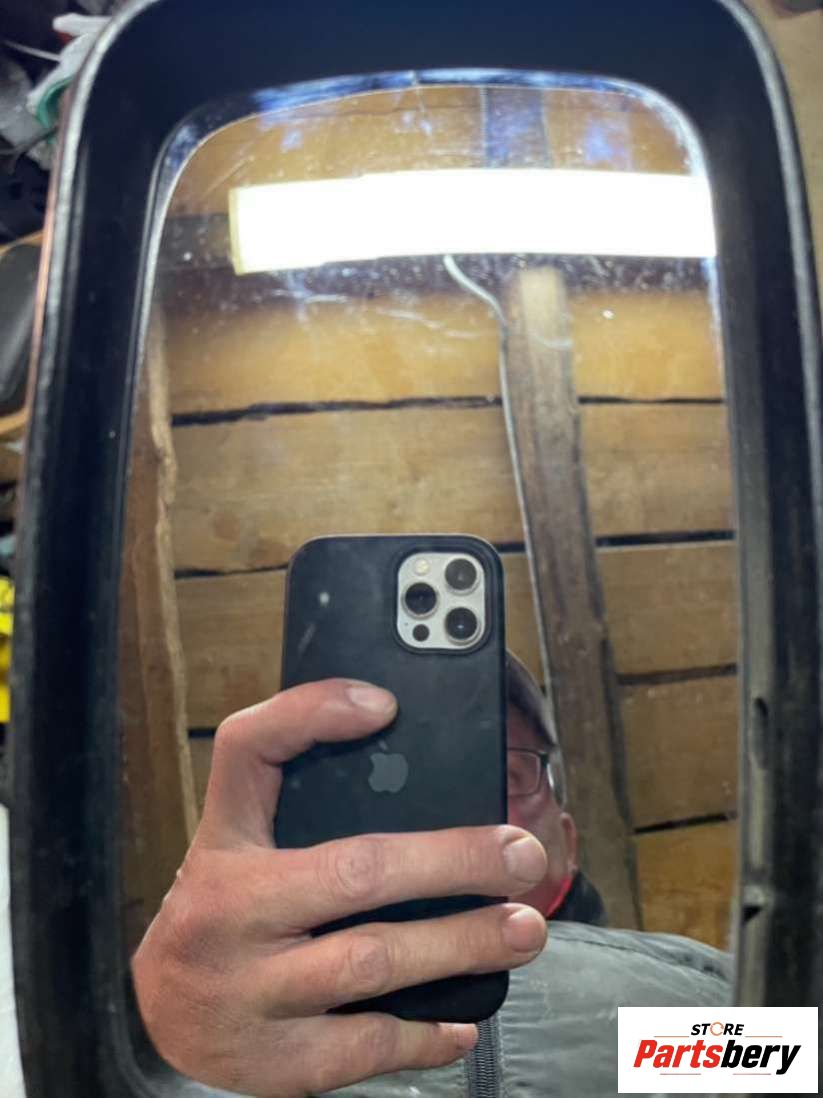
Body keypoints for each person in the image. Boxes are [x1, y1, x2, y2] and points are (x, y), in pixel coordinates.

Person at [132, 667, 730, 1098]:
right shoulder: (239, 1038)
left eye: (504, 774)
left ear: (567, 844)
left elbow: (777, 1059)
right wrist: (149, 1038)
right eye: (426, 782)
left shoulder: (688, 1007)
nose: (463, 818)